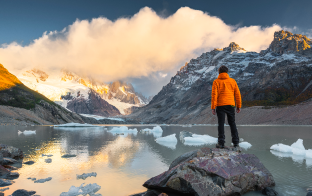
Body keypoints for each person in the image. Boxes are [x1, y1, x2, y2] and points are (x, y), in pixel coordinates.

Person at [211, 65, 241, 148]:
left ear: (219, 72)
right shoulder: (233, 81)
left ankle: (221, 143)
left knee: (221, 123)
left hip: (220, 105)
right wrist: (239, 106)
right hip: (231, 105)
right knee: (232, 123)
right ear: (227, 72)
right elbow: (237, 94)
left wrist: (213, 107)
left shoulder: (216, 82)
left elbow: (214, 95)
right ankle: (236, 143)